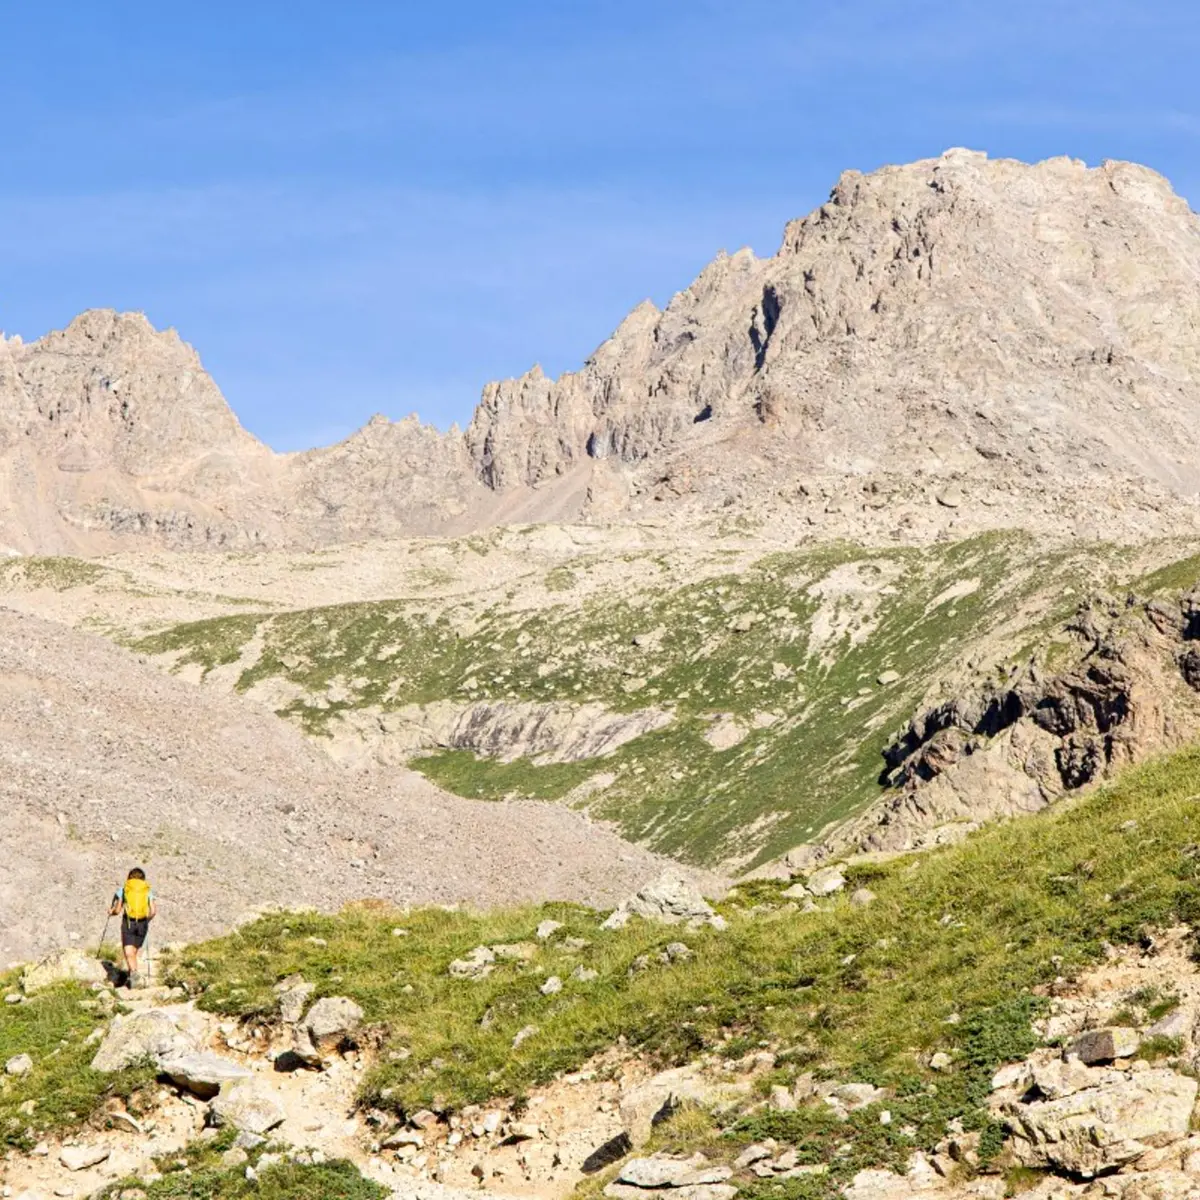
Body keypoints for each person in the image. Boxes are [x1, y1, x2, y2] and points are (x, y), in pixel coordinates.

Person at [109, 868, 157, 986]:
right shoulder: (147, 890)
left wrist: (111, 912)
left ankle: (134, 975)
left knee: (129, 953)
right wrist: (146, 921)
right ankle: (133, 980)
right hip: (142, 923)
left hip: (128, 923)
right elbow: (153, 911)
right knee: (133, 952)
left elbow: (118, 910)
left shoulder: (124, 889)